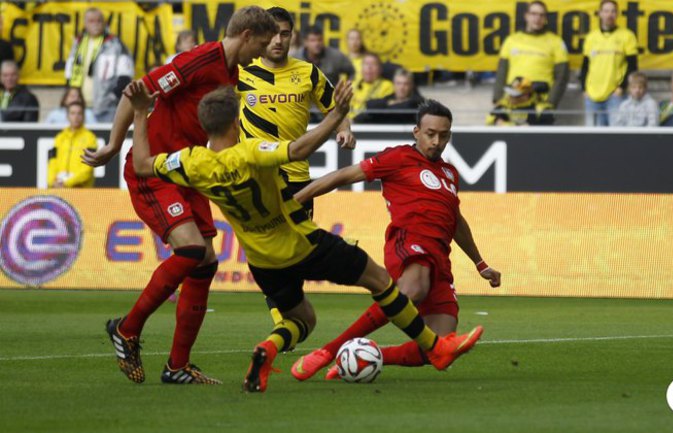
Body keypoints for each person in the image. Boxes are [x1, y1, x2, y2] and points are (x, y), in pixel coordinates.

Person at [125, 80, 483, 393]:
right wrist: (336, 114)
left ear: (204, 125)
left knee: (301, 320)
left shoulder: (190, 162)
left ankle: (268, 347)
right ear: (236, 122)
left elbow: (141, 164)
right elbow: (297, 150)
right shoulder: (251, 151)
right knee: (381, 282)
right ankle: (434, 347)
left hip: (261, 259)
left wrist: (141, 114)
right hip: (301, 242)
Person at [83, 6, 278, 385]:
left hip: (186, 171)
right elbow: (136, 92)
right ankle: (126, 329)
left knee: (205, 263)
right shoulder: (201, 60)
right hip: (154, 170)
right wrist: (113, 144)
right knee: (190, 250)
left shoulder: (232, 74)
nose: (260, 54)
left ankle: (177, 366)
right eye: (261, 45)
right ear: (247, 35)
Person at [290, 99, 501, 381]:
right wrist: (294, 201)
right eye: (430, 134)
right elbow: (342, 175)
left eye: (443, 135)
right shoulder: (398, 157)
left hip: (440, 257)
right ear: (416, 132)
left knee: (441, 346)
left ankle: (362, 358)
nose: (436, 142)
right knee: (413, 289)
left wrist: (480, 263)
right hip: (409, 241)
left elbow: (455, 220)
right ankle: (328, 351)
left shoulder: (450, 173)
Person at [237, 7, 355, 323]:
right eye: (272, 33)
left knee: (296, 252)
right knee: (264, 250)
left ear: (293, 37)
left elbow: (336, 108)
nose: (278, 40)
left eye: (285, 34)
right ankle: (283, 320)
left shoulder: (308, 73)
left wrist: (345, 130)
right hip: (257, 177)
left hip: (297, 177)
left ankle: (288, 318)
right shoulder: (241, 71)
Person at [493, 1, 569, 115]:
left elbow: (562, 77)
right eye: (533, 14)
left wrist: (551, 103)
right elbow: (501, 73)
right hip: (512, 103)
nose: (537, 18)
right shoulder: (511, 40)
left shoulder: (556, 42)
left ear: (545, 18)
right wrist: (497, 100)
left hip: (540, 106)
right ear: (526, 16)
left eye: (541, 15)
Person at [64, 8, 134, 122]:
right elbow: (69, 73)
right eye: (91, 21)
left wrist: (112, 98)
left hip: (106, 109)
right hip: (80, 108)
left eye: (99, 21)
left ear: (104, 22)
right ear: (85, 23)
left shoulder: (115, 44)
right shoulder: (78, 43)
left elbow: (125, 76)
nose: (95, 24)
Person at [580, 0, 638, 126]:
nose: (609, 15)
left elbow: (633, 66)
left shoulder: (627, 36)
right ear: (600, 13)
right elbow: (585, 66)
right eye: (606, 11)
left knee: (616, 134)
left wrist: (621, 88)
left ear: (617, 14)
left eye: (613, 11)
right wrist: (584, 89)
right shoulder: (591, 37)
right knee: (592, 135)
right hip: (592, 96)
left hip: (615, 95)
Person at [47, 101, 97, 188]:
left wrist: (67, 183)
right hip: (59, 188)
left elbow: (88, 168)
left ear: (84, 116)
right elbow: (52, 162)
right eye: (73, 113)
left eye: (79, 113)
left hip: (81, 190)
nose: (76, 117)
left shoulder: (90, 138)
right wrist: (52, 181)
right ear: (67, 116)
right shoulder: (59, 137)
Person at [353, 68, 424, 124]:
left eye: (405, 84)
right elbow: (370, 105)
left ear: (411, 85)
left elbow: (407, 106)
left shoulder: (418, 102)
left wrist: (388, 105)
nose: (401, 87)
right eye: (398, 83)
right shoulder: (389, 99)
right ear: (394, 85)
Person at [486, 76, 554, 126]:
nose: (511, 97)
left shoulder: (540, 109)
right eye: (510, 93)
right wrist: (496, 121)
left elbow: (547, 130)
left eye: (515, 95)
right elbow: (489, 120)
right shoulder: (504, 105)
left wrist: (506, 125)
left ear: (526, 95)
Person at [349, 53, 394, 119]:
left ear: (380, 69)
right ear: (361, 68)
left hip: (370, 122)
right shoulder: (352, 85)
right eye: (366, 64)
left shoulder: (387, 86)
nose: (369, 67)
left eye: (373, 64)